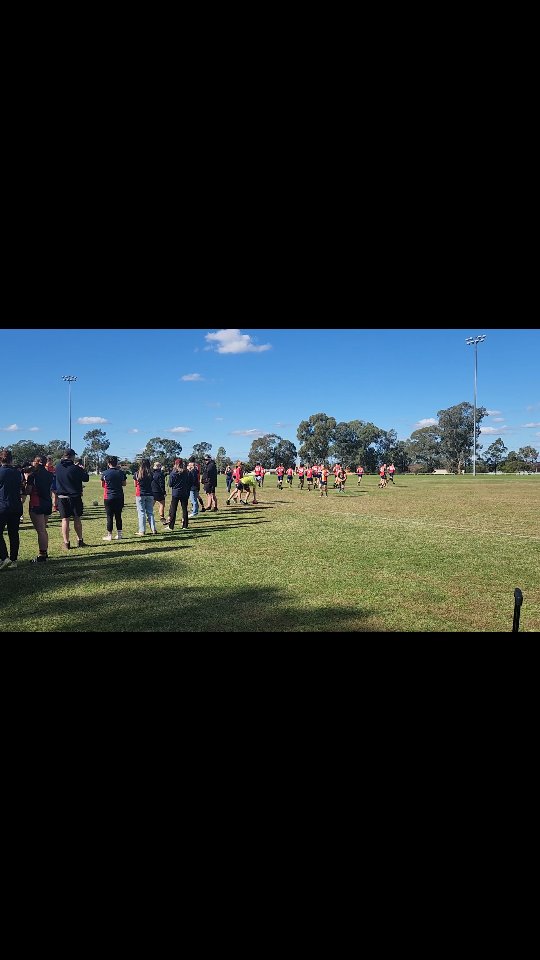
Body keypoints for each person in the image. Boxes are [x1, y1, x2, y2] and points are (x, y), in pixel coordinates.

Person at [55, 448, 90, 550]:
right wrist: (82, 469)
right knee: (77, 519)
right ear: (72, 456)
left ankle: (66, 543)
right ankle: (80, 540)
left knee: (65, 520)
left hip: (62, 497)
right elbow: (86, 478)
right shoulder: (75, 468)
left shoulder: (57, 467)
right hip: (74, 497)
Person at [0, 449, 24, 570]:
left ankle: (4, 557)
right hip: (16, 506)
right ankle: (14, 560)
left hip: (3, 507)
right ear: (11, 459)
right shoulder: (17, 473)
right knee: (14, 534)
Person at [26, 454, 54, 561]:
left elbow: (28, 491)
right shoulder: (50, 474)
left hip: (37, 503)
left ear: (36, 462)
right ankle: (44, 552)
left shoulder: (33, 475)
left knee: (41, 530)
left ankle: (42, 555)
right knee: (43, 529)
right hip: (47, 502)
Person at [101, 455, 127, 541]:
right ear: (117, 463)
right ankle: (119, 534)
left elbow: (103, 485)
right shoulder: (121, 473)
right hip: (119, 496)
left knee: (109, 516)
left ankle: (109, 535)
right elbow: (124, 484)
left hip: (108, 497)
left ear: (108, 463)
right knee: (118, 516)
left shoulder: (105, 473)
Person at [165, 458, 191, 530]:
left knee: (173, 509)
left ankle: (171, 526)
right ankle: (185, 525)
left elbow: (170, 484)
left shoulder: (173, 473)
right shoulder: (186, 472)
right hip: (184, 492)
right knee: (184, 509)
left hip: (176, 493)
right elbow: (188, 482)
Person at [133, 459, 157, 534]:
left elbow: (135, 485)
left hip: (140, 494)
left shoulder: (137, 474)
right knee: (150, 512)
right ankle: (153, 529)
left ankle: (142, 530)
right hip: (150, 494)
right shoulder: (151, 474)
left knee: (141, 513)